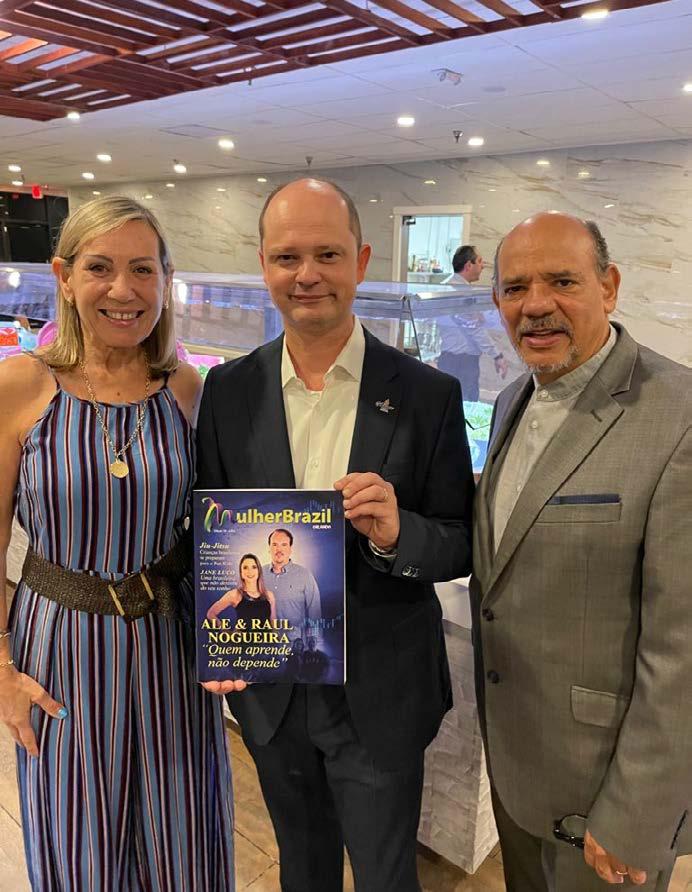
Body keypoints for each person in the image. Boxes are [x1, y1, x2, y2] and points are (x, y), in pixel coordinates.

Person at [196, 177, 474, 892]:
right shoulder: (226, 391)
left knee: (386, 876)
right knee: (303, 867)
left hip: (379, 695)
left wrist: (396, 534)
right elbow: (210, 533)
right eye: (287, 257)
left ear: (362, 260)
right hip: (270, 688)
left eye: (328, 254)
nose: (307, 275)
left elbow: (458, 540)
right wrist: (215, 639)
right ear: (263, 265)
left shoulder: (426, 394)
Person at [0, 196, 234, 891]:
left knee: (183, 839)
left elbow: (218, 527)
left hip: (171, 646)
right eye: (100, 268)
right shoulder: (21, 386)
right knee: (80, 845)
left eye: (142, 269)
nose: (123, 290)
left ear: (165, 280)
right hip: (61, 649)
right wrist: (2, 672)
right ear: (64, 276)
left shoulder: (186, 389)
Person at [470, 211, 692, 891]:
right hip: (518, 767)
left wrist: (636, 814)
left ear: (609, 286)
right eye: (515, 288)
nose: (535, 305)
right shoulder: (514, 398)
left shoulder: (679, 415)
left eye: (562, 281)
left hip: (606, 796)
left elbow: (682, 649)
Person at [438, 244, 508, 401]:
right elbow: (473, 328)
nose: (483, 266)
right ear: (469, 265)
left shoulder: (447, 286)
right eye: (480, 261)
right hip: (461, 363)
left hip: (450, 359)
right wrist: (497, 356)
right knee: (465, 405)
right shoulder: (462, 292)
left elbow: (476, 321)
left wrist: (480, 317)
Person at [264, 528, 320, 637]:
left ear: (290, 549)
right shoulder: (258, 574)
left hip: (295, 643)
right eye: (274, 544)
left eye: (284, 545)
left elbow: (315, 613)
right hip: (265, 642)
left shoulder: (305, 575)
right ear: (269, 548)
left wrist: (314, 641)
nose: (279, 549)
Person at [207, 552, 276, 623]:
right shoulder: (235, 594)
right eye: (245, 568)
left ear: (259, 571)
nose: (250, 571)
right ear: (241, 573)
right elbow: (211, 614)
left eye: (254, 567)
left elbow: (274, 624)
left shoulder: (269, 595)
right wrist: (224, 629)